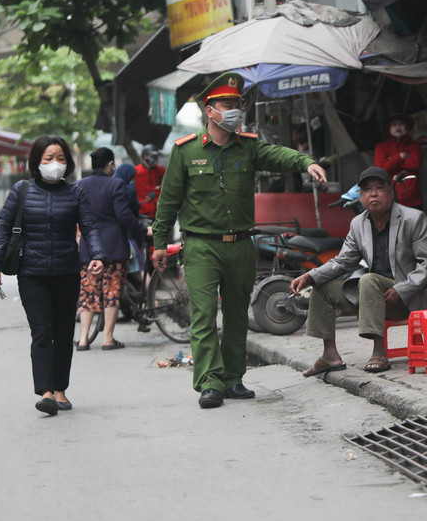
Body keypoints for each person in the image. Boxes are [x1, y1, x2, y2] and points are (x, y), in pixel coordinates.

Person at [151, 72, 328, 409]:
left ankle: (233, 378)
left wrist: (307, 163)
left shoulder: (249, 147)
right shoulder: (186, 151)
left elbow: (280, 155)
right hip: (201, 246)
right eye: (227, 104)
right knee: (204, 314)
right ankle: (209, 382)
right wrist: (160, 242)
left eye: (237, 104)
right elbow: (168, 201)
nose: (234, 110)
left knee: (236, 315)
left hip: (241, 245)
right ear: (209, 110)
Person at [0, 135, 105, 416]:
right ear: (36, 161)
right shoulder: (21, 190)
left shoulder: (75, 193)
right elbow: (3, 228)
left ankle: (60, 389)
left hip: (66, 272)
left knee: (63, 333)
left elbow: (89, 227)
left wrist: (97, 255)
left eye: (61, 158)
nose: (55, 163)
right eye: (49, 158)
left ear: (68, 162)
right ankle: (46, 393)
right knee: (41, 332)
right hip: (32, 274)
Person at [290, 166, 427, 375]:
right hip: (372, 296)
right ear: (361, 196)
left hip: (407, 298)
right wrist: (310, 276)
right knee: (323, 286)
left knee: (369, 279)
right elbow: (343, 261)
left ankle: (379, 352)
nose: (373, 194)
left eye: (379, 188)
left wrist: (401, 290)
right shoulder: (358, 224)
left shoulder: (413, 218)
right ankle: (330, 355)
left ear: (390, 192)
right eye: (367, 190)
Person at [75, 147, 150, 350]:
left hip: (88, 248)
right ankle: (108, 339)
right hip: (113, 247)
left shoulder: (79, 185)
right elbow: (124, 216)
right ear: (111, 165)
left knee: (88, 292)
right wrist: (143, 231)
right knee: (112, 291)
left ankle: (83, 339)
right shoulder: (115, 184)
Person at [374, 113, 422, 209]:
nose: (398, 127)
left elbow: (415, 164)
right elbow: (382, 169)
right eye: (394, 124)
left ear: (407, 127)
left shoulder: (414, 146)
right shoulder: (381, 147)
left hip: (413, 199)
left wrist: (391, 161)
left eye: (401, 124)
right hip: (390, 199)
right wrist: (401, 156)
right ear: (388, 129)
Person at [135, 144, 166, 219]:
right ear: (145, 156)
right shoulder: (135, 172)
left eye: (156, 156)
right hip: (142, 214)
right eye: (152, 156)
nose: (155, 158)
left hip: (160, 214)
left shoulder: (162, 171)